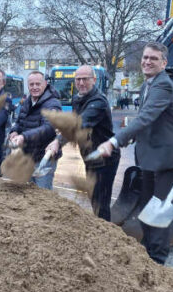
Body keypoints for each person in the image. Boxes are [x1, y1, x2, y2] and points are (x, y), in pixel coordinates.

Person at [98, 42, 173, 264]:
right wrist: (132, 137)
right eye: (145, 57)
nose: (147, 62)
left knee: (157, 213)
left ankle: (157, 262)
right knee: (147, 209)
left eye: (154, 59)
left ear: (164, 63)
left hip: (166, 159)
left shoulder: (163, 86)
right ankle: (149, 255)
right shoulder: (149, 84)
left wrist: (115, 140)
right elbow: (148, 121)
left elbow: (146, 116)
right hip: (150, 156)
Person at [46, 65, 120, 220]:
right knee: (93, 196)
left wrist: (58, 141)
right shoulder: (77, 99)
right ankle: (100, 227)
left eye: (85, 79)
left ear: (94, 80)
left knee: (100, 201)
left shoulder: (98, 101)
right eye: (78, 79)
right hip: (89, 155)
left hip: (105, 156)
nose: (81, 83)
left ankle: (105, 234)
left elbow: (79, 124)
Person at [8, 70, 62, 189]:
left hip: (44, 158)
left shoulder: (53, 104)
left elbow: (49, 128)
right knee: (27, 193)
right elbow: (19, 122)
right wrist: (14, 131)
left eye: (38, 84)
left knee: (42, 195)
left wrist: (23, 137)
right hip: (27, 156)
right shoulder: (27, 102)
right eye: (31, 84)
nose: (35, 87)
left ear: (45, 84)